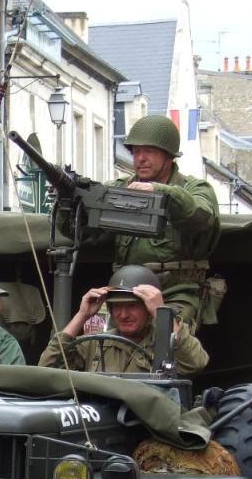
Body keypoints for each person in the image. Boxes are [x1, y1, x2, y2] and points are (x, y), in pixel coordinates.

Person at [64, 115, 221, 327]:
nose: (140, 158)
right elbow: (86, 234)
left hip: (175, 293)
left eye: (149, 151)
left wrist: (162, 194)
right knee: (97, 337)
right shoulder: (119, 189)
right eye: (136, 151)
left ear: (169, 156)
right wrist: (70, 205)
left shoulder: (194, 189)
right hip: (124, 292)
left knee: (169, 337)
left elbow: (201, 217)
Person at [38, 265, 208, 374]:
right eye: (117, 307)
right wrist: (82, 315)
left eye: (132, 306)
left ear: (148, 309)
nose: (123, 314)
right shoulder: (95, 344)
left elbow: (196, 362)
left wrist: (160, 311)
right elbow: (47, 369)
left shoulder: (166, 344)